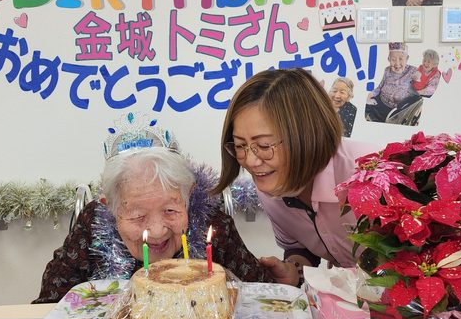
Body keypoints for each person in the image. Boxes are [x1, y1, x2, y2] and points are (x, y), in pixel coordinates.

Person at [33, 115, 283, 303]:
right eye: (138, 215)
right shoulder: (92, 225)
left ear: (189, 195)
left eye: (170, 211)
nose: (156, 231)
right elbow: (49, 306)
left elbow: (266, 296)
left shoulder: (213, 224)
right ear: (110, 208)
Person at [211, 68, 377, 287]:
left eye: (263, 146)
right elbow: (301, 246)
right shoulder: (270, 189)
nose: (251, 161)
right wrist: (294, 271)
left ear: (308, 136)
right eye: (240, 146)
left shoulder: (370, 172)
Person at [365, 42, 419, 123]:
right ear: (389, 59)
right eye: (393, 59)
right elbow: (379, 87)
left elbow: (421, 89)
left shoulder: (413, 71)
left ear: (407, 58)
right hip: (380, 103)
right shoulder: (386, 70)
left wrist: (419, 79)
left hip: (398, 112)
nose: (397, 63)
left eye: (401, 59)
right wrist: (370, 94)